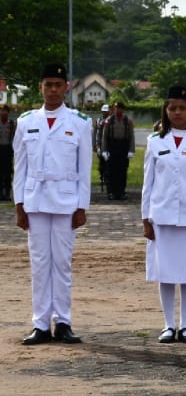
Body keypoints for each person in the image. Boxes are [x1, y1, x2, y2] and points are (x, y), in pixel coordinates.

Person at [13, 63, 93, 345]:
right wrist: (19, 204)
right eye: (48, 84)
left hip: (66, 202)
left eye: (58, 84)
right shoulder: (26, 121)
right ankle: (40, 325)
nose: (53, 90)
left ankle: (64, 322)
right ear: (40, 88)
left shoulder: (80, 122)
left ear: (67, 87)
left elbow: (85, 168)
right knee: (39, 263)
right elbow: (19, 167)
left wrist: (82, 206)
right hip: (35, 201)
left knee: (62, 263)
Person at [141, 85, 186, 344]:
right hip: (162, 213)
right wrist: (145, 218)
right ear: (166, 110)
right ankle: (168, 325)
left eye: (182, 107)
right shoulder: (154, 141)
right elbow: (147, 183)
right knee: (166, 272)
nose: (177, 112)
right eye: (172, 108)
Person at [99, 101, 136, 200]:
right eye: (115, 108)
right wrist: (104, 150)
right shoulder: (109, 120)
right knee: (111, 171)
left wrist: (131, 150)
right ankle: (111, 192)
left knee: (122, 171)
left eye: (119, 108)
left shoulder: (127, 121)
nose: (117, 110)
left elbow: (131, 136)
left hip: (123, 147)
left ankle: (121, 192)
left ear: (122, 109)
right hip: (112, 146)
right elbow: (104, 136)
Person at [0, 104, 15, 201]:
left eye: (5, 110)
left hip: (8, 150)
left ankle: (7, 194)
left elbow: (15, 137)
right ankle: (0, 194)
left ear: (8, 112)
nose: (3, 112)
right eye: (1, 111)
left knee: (8, 173)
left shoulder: (12, 123)